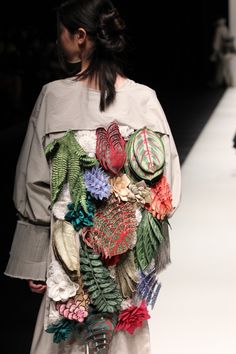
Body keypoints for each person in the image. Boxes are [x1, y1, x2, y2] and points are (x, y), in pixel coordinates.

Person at [4, 0, 181, 353]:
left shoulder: (53, 98)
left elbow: (35, 184)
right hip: (125, 264)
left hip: (67, 263)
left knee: (61, 339)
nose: (59, 42)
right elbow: (167, 190)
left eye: (62, 34)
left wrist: (40, 260)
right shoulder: (145, 100)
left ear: (80, 37)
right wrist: (135, 246)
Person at [210, 17, 236, 87]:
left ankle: (229, 83)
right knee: (223, 67)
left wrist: (214, 53)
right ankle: (221, 82)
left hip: (223, 51)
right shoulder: (225, 28)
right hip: (227, 51)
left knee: (223, 68)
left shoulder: (219, 29)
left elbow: (217, 42)